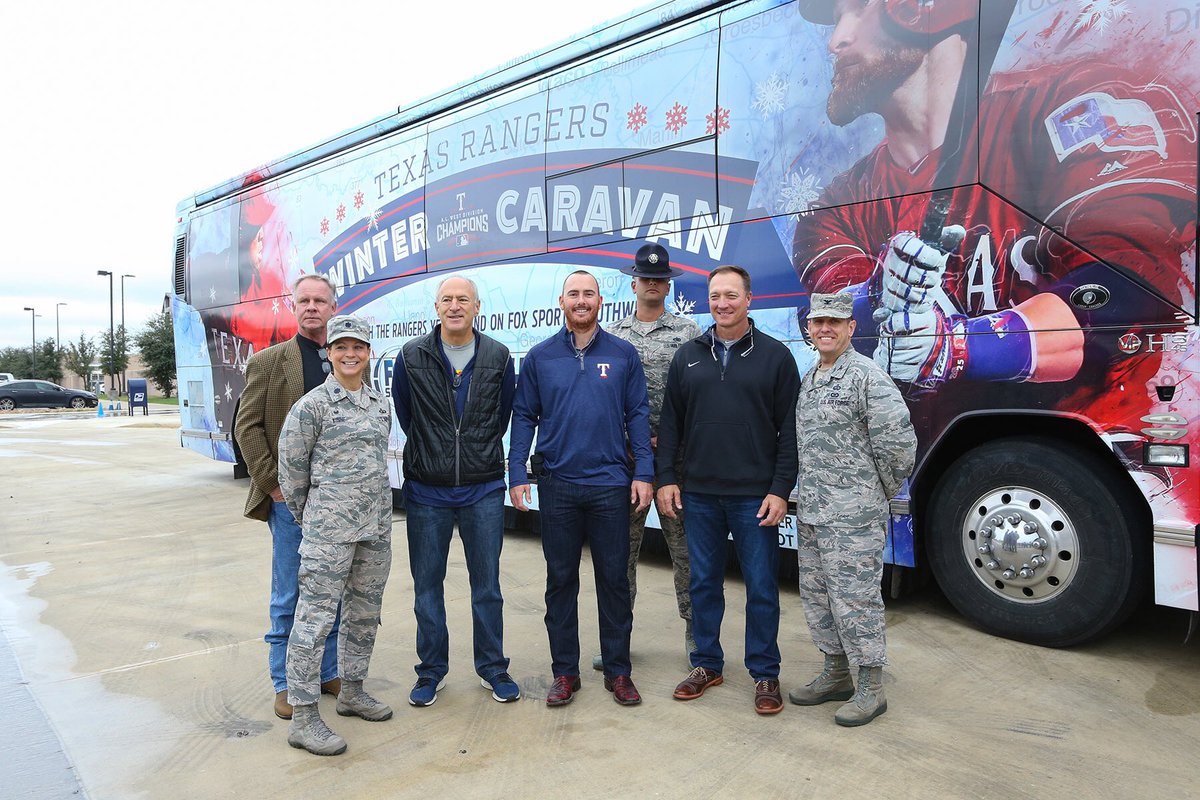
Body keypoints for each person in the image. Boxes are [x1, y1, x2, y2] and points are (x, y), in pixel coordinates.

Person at [792, 0, 1197, 509]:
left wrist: (957, 345)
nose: (836, 40)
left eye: (857, 13)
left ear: (920, 9)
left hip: (1118, 466)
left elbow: (1135, 284)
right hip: (923, 475)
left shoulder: (1069, 103)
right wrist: (876, 296)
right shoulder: (833, 204)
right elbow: (834, 313)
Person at [657, 265, 801, 715]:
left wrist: (780, 490)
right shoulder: (688, 356)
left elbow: (790, 432)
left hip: (753, 497)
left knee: (760, 586)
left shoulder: (776, 357)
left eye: (731, 295)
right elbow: (670, 425)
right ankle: (707, 664)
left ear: (749, 298)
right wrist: (666, 479)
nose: (722, 303)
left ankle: (764, 672)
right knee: (703, 583)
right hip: (698, 494)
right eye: (715, 296)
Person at [509, 270, 654, 707]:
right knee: (560, 581)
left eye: (588, 293)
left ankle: (619, 671)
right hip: (558, 486)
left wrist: (644, 472)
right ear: (562, 302)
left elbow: (639, 416)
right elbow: (523, 417)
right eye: (573, 294)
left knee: (613, 581)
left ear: (599, 301)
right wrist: (517, 472)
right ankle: (565, 673)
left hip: (611, 486)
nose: (581, 300)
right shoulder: (539, 358)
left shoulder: (624, 355)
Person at [391, 275, 520, 706]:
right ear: (436, 307)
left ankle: (493, 668)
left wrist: (471, 451)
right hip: (428, 491)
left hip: (482, 489)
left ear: (477, 306)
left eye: (462, 299)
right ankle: (431, 672)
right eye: (446, 299)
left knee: (488, 587)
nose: (454, 306)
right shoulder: (411, 357)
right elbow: (409, 416)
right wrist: (439, 452)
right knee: (428, 588)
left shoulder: (499, 357)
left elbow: (499, 417)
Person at [791, 293, 916, 727]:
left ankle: (870, 687)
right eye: (818, 321)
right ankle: (836, 672)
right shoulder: (813, 376)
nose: (825, 328)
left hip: (853, 516)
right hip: (813, 510)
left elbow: (899, 446)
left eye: (835, 321)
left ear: (850, 327)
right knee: (819, 597)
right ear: (809, 328)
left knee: (856, 600)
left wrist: (869, 492)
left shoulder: (867, 376)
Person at [278, 315, 394, 756]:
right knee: (314, 620)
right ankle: (304, 718)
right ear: (329, 353)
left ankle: (352, 691)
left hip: (375, 529)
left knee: (365, 614)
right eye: (341, 346)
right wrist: (312, 517)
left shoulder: (379, 404)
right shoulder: (312, 406)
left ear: (368, 353)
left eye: (358, 347)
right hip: (329, 532)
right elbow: (291, 470)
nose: (350, 354)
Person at [234, 274, 341, 720]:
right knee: (288, 594)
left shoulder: (346, 359)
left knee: (330, 590)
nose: (312, 307)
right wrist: (273, 485)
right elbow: (246, 426)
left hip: (338, 501)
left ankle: (327, 670)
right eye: (305, 300)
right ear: (292, 306)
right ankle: (284, 681)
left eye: (321, 300)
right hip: (290, 502)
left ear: (335, 307)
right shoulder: (270, 361)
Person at [591, 243, 701, 672]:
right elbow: (602, 400)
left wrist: (671, 442)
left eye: (660, 278)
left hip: (675, 463)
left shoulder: (689, 333)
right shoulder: (613, 336)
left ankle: (697, 638)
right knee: (620, 556)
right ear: (633, 282)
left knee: (686, 554)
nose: (653, 283)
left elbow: (697, 397)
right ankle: (618, 640)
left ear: (667, 285)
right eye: (645, 277)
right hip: (626, 463)